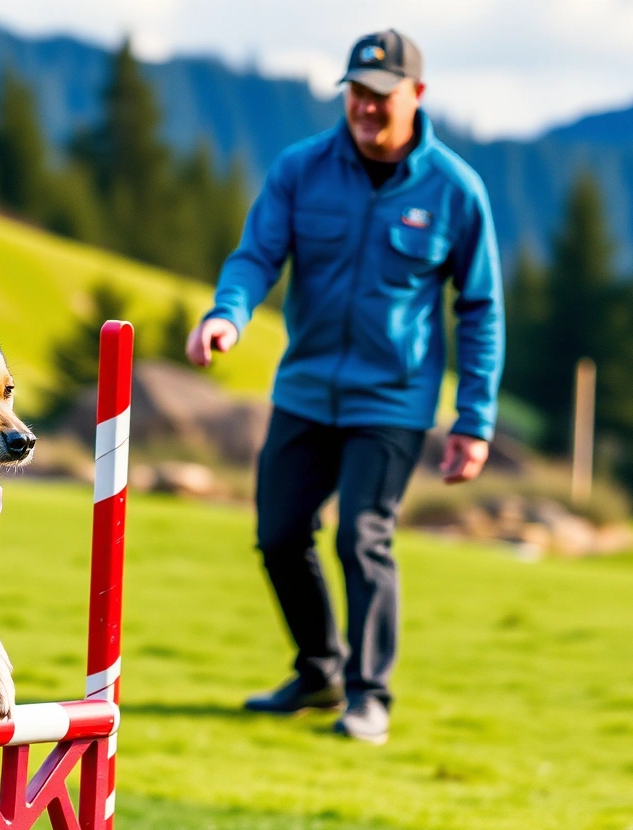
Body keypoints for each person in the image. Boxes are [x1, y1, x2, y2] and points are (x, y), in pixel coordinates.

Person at [186, 29, 503, 745]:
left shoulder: (456, 191)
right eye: (356, 92)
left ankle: (370, 696)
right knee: (279, 534)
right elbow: (256, 254)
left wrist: (475, 419)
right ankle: (320, 669)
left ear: (416, 96)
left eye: (380, 96)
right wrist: (225, 316)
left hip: (392, 402)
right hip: (304, 390)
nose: (364, 107)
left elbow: (480, 309)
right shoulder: (302, 168)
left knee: (363, 536)